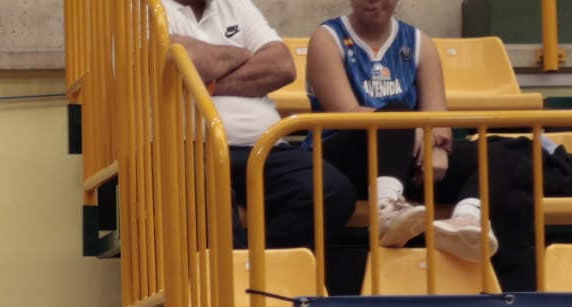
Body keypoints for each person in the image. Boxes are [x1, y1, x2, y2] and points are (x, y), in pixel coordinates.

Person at [305, 0, 535, 288]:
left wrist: (436, 148)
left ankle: (465, 221)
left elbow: (437, 117)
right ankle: (386, 211)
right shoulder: (327, 38)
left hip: (404, 156)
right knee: (394, 115)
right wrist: (409, 124)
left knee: (504, 152)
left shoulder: (418, 42)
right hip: (341, 158)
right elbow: (345, 113)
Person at [166, 0, 357, 251]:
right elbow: (181, 59)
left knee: (331, 190)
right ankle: (232, 283)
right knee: (206, 192)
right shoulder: (144, 8)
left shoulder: (236, 5)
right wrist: (245, 55)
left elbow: (282, 66)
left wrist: (206, 83)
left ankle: (255, 273)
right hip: (185, 148)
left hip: (264, 146)